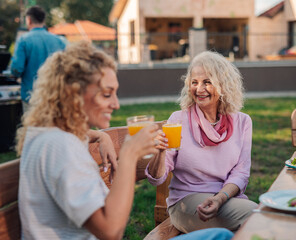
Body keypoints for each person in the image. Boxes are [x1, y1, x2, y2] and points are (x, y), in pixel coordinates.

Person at [16, 41, 160, 239]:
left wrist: (100, 135)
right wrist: (129, 154)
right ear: (74, 94)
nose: (116, 104)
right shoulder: (62, 147)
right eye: (107, 94)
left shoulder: (44, 134)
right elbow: (111, 231)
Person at [146, 51, 258, 233]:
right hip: (185, 202)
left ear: (223, 84)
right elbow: (156, 178)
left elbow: (241, 172)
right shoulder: (178, 120)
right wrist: (159, 152)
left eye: (207, 82)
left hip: (225, 198)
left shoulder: (242, 122)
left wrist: (220, 198)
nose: (199, 89)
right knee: (256, 217)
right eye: (194, 82)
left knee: (258, 216)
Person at [11, 5, 66, 112]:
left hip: (31, 97)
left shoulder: (23, 40)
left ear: (29, 20)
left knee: (33, 128)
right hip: (54, 97)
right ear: (43, 20)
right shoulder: (59, 40)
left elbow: (16, 69)